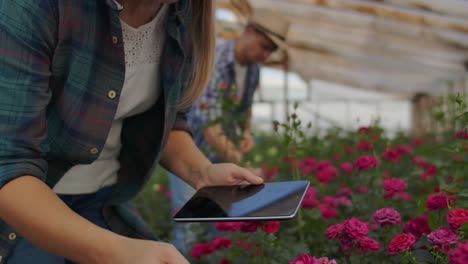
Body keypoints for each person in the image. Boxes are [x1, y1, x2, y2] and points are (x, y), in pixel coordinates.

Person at [0, 0, 264, 263]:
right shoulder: (38, 8)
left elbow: (168, 119)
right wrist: (118, 251)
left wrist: (202, 171)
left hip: (104, 199)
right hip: (27, 208)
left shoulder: (183, 13)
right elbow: (9, 164)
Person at [169, 10, 289, 253]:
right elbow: (211, 129)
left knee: (219, 226)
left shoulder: (252, 68)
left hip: (224, 156)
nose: (265, 56)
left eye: (270, 51)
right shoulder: (216, 60)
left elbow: (245, 107)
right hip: (190, 152)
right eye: (264, 46)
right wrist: (244, 165)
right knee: (190, 227)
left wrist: (245, 132)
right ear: (250, 31)